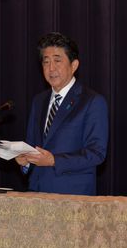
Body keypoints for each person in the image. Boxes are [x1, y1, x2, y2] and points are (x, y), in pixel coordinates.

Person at [15, 32, 108, 195]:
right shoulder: (39, 101)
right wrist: (25, 161)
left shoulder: (92, 101)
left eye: (57, 61)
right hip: (36, 192)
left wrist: (54, 160)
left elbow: (96, 153)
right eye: (46, 62)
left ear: (74, 65)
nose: (51, 68)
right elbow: (32, 145)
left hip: (73, 196)